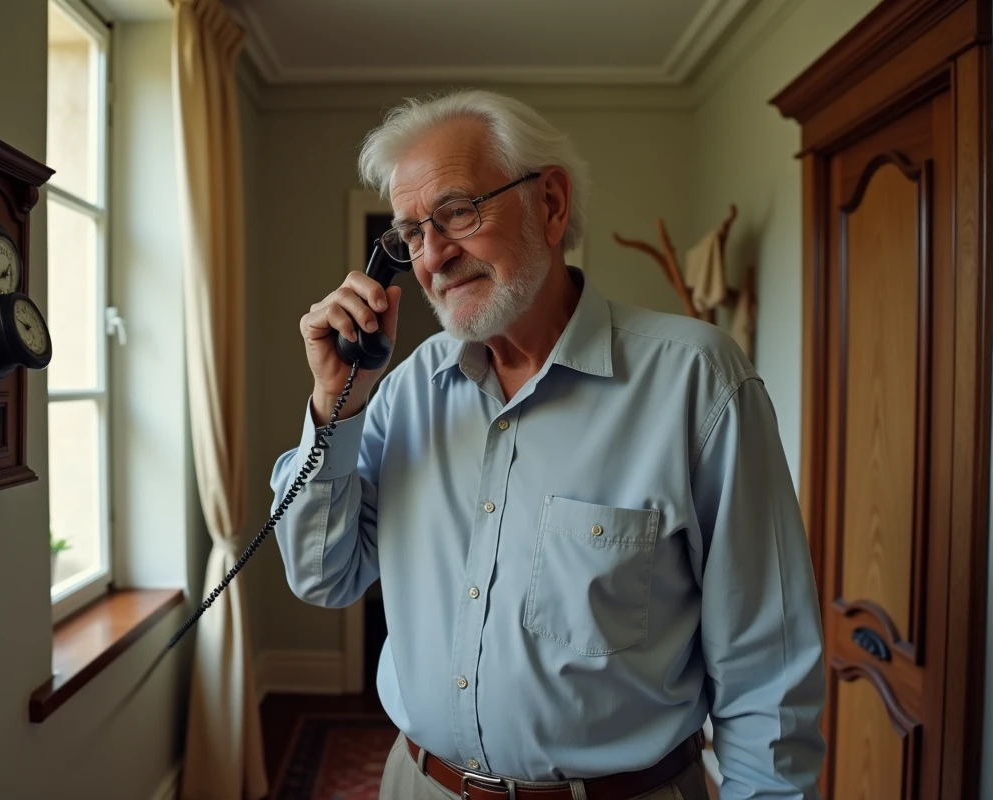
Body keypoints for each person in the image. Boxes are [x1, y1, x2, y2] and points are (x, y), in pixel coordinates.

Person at [269, 89, 825, 800]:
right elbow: (322, 574)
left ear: (551, 204)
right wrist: (333, 402)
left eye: (457, 212)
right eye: (410, 234)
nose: (433, 256)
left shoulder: (698, 382)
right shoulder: (402, 392)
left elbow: (766, 670)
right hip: (419, 784)